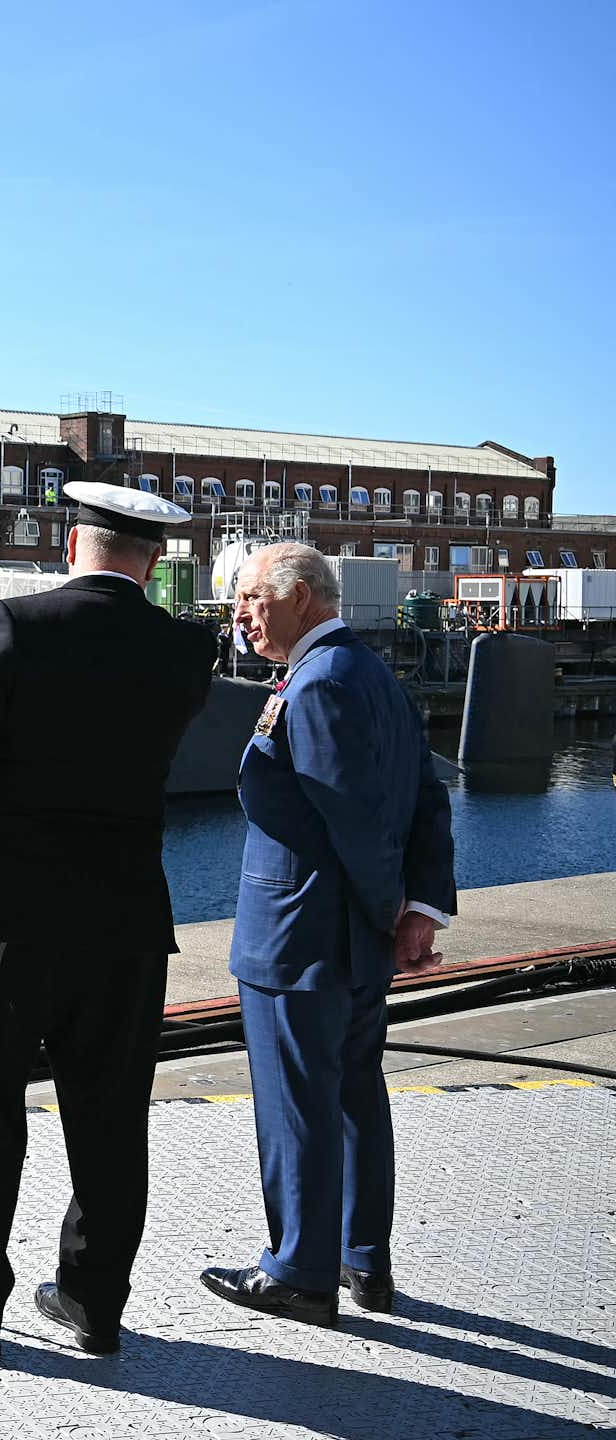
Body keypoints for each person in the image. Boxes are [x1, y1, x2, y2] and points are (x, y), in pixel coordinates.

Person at [0, 481, 220, 1364]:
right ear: (152, 561)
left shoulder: (14, 626)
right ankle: (92, 1303)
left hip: (13, 916)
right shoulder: (188, 650)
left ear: (72, 543)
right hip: (125, 919)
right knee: (112, 1114)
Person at [199, 543, 455, 1326]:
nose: (239, 613)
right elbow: (426, 798)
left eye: (251, 598)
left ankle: (299, 1273)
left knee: (296, 1106)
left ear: (301, 597)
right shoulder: (372, 675)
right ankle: (360, 1262)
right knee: (352, 1098)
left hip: (302, 937)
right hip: (349, 941)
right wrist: (421, 909)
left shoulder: (320, 684)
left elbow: (352, 821)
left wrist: (391, 913)